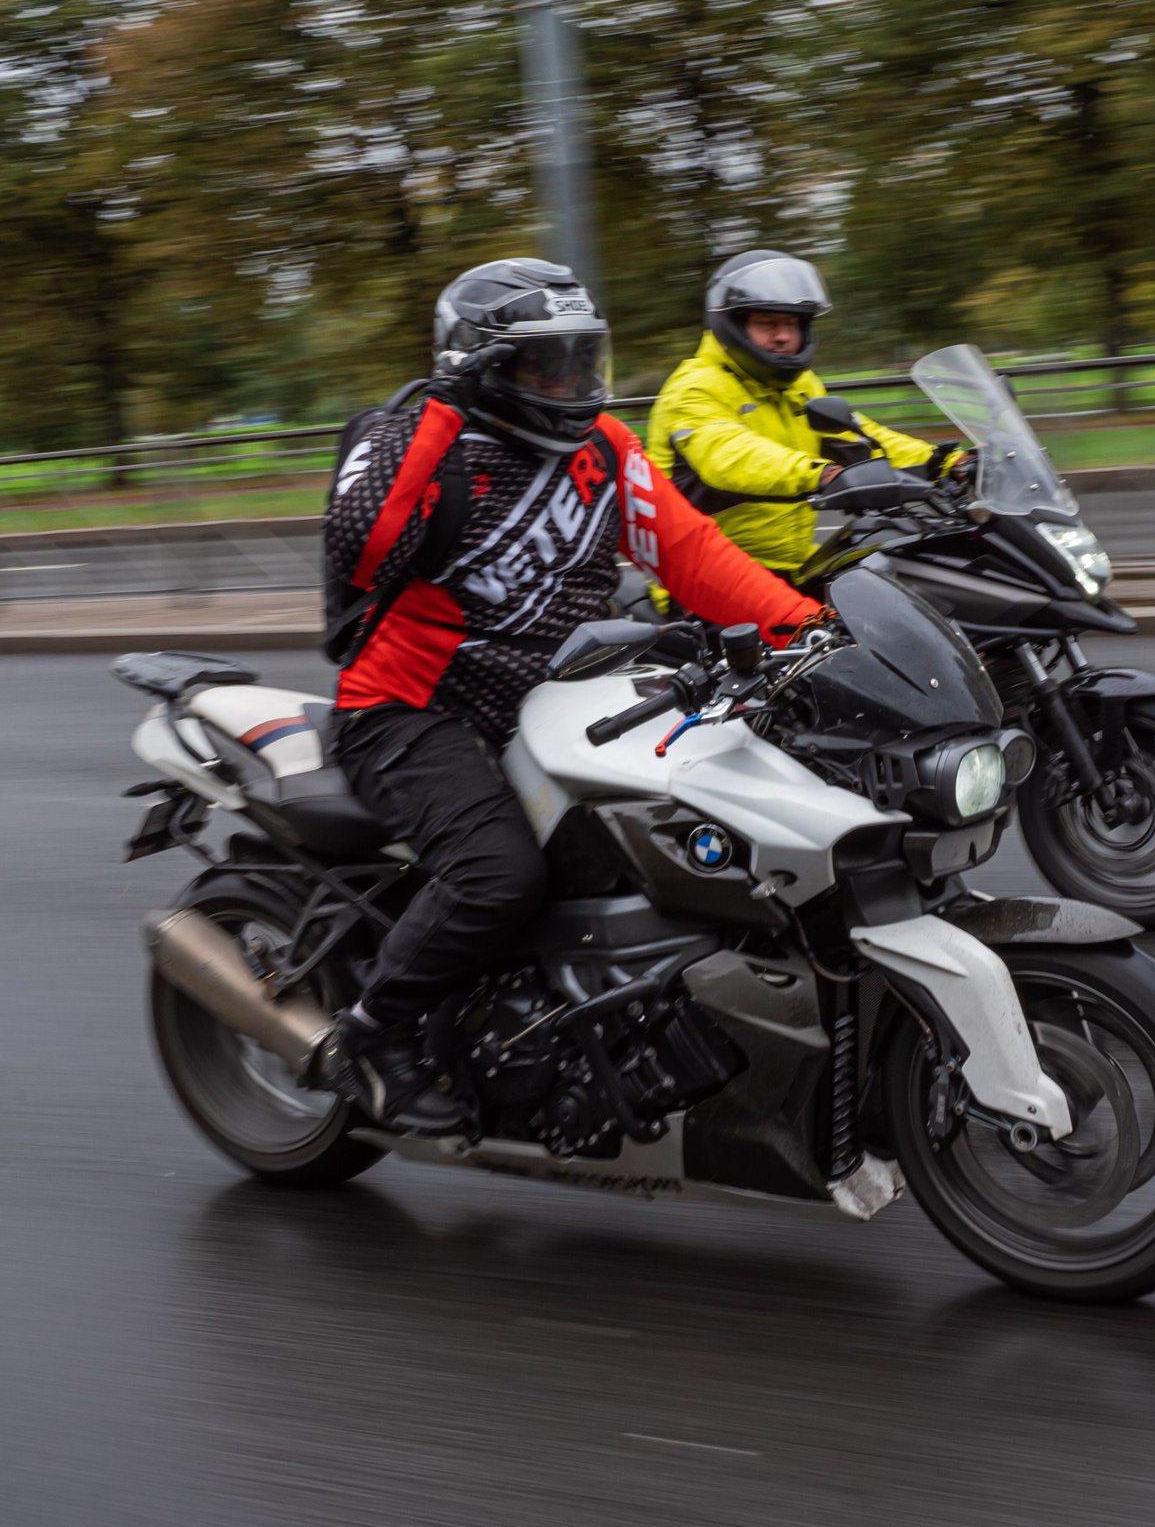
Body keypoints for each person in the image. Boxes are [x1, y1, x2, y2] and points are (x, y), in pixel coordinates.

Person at [321, 257, 819, 1131]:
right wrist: (440, 411)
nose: (574, 382)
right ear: (484, 369)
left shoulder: (605, 448)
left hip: (562, 704)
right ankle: (372, 1033)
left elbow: (693, 554)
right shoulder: (417, 444)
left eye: (583, 359)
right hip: (412, 708)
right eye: (546, 364)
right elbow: (362, 548)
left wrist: (810, 628)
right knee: (497, 876)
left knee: (695, 836)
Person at [647, 250, 947, 578]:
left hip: (792, 564)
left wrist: (942, 462)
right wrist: (822, 475)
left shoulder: (800, 385)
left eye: (792, 324)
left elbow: (859, 437)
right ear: (732, 325)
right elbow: (730, 455)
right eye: (767, 323)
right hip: (707, 574)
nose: (783, 337)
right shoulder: (694, 387)